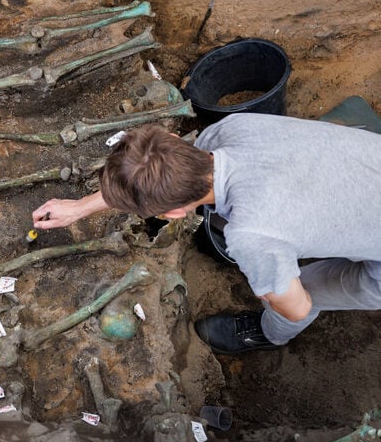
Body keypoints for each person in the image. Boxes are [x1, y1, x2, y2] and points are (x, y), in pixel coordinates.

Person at [31, 113, 381, 354]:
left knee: (305, 293)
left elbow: (297, 308)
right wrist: (81, 207)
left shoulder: (251, 233)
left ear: (173, 215)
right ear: (171, 139)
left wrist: (272, 292)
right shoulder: (232, 129)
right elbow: (152, 171)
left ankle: (267, 336)